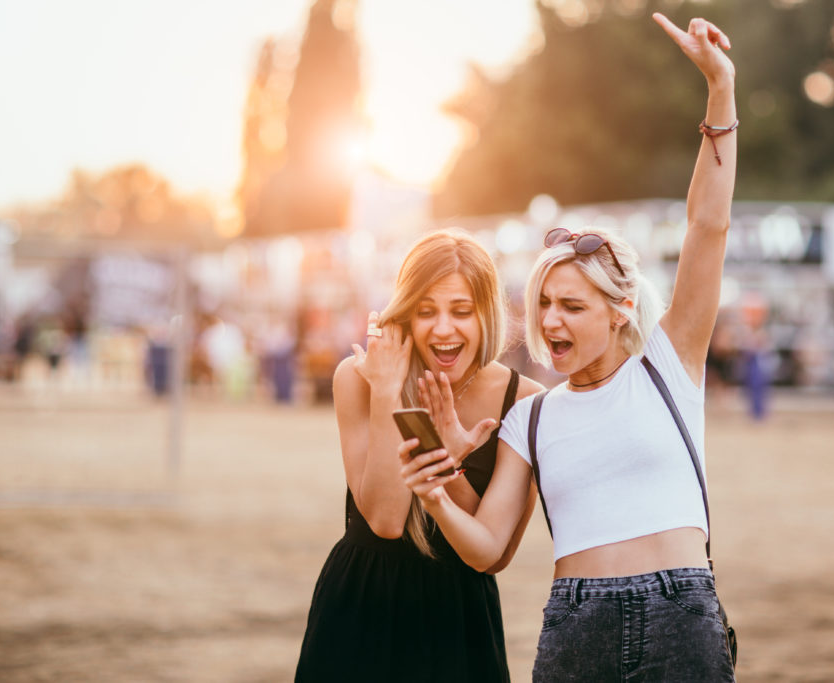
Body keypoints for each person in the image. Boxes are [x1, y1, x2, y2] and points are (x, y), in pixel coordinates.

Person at [399, 13, 737, 682]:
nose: (550, 320)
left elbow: (707, 224)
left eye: (572, 306)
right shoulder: (532, 415)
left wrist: (720, 89)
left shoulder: (670, 362)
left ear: (620, 312)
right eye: (543, 303)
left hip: (681, 616)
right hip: (575, 626)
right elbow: (488, 545)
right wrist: (437, 495)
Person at [295, 229, 543, 682]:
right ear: (405, 313)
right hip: (363, 603)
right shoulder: (359, 378)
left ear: (486, 313)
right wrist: (389, 392)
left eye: (461, 311)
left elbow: (492, 554)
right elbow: (386, 521)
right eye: (425, 311)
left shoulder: (525, 401)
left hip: (461, 616)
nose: (443, 329)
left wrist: (443, 458)